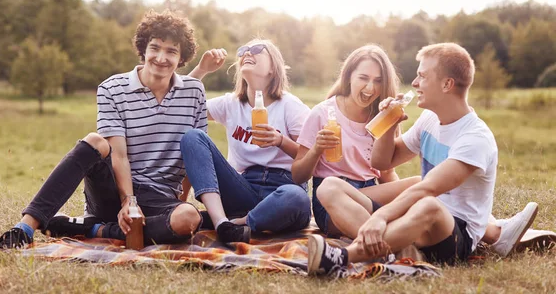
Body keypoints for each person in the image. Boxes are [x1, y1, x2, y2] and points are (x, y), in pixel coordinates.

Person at [308, 43, 538, 275]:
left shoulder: (475, 138)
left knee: (428, 202)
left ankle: (343, 256)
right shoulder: (429, 119)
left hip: (453, 235)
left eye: (422, 76)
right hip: (416, 218)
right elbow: (381, 162)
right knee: (329, 186)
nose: (415, 83)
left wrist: (380, 217)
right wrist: (388, 124)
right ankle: (392, 247)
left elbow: (428, 188)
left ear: (447, 84)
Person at [0, 10, 207, 249]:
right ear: (143, 50)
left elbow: (194, 156)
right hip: (113, 190)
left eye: (171, 51)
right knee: (96, 140)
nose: (161, 57)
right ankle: (24, 228)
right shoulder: (112, 89)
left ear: (182, 58)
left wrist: (179, 203)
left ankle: (96, 229)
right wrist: (129, 201)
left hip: (160, 197)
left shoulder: (194, 92)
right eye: (155, 48)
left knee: (189, 218)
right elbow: (119, 155)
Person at [181, 39, 312, 244]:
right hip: (243, 187)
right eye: (244, 50)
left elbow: (310, 159)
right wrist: (201, 69)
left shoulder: (291, 106)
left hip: (283, 188)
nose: (248, 53)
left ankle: (237, 223)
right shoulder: (231, 103)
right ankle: (221, 222)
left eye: (258, 49)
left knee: (296, 198)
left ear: (272, 68)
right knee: (193, 138)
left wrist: (281, 141)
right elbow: (181, 105)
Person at [292, 45, 420, 238]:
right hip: (333, 200)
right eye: (363, 78)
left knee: (420, 184)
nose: (370, 88)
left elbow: (387, 174)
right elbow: (298, 175)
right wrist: (317, 149)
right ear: (349, 76)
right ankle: (390, 237)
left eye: (378, 81)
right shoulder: (323, 113)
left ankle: (387, 234)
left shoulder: (385, 115)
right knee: (335, 189)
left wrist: (403, 199)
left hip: (370, 193)